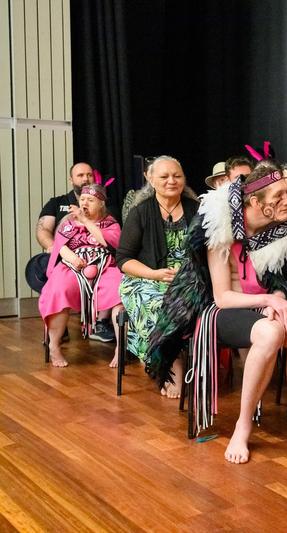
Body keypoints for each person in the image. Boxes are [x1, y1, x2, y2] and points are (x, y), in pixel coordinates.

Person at [149, 162, 287, 463]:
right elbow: (222, 296)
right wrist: (269, 302)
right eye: (279, 195)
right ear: (256, 202)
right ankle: (242, 424)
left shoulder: (281, 229)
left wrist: (277, 297)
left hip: (260, 305)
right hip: (220, 310)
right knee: (270, 332)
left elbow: (283, 281)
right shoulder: (218, 228)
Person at [116, 155, 199, 396]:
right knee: (157, 304)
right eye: (164, 176)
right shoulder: (140, 212)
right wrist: (153, 273)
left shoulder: (197, 209)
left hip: (188, 278)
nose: (171, 181)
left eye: (177, 175)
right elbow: (123, 259)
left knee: (193, 304)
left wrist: (190, 275)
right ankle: (171, 366)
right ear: (150, 179)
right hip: (145, 277)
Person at [38, 184, 124, 367]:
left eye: (90, 200)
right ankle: (54, 346)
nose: (84, 203)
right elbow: (59, 246)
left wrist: (86, 222)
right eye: (82, 199)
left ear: (101, 203)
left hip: (105, 267)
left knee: (120, 290)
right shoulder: (68, 222)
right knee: (59, 289)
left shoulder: (110, 222)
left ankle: (121, 347)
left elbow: (109, 242)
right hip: (73, 266)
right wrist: (73, 258)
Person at [37, 162, 94, 253]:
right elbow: (44, 229)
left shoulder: (104, 204)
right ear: (71, 180)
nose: (85, 179)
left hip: (95, 253)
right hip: (62, 253)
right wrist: (55, 248)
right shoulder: (55, 203)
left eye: (89, 175)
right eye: (80, 175)